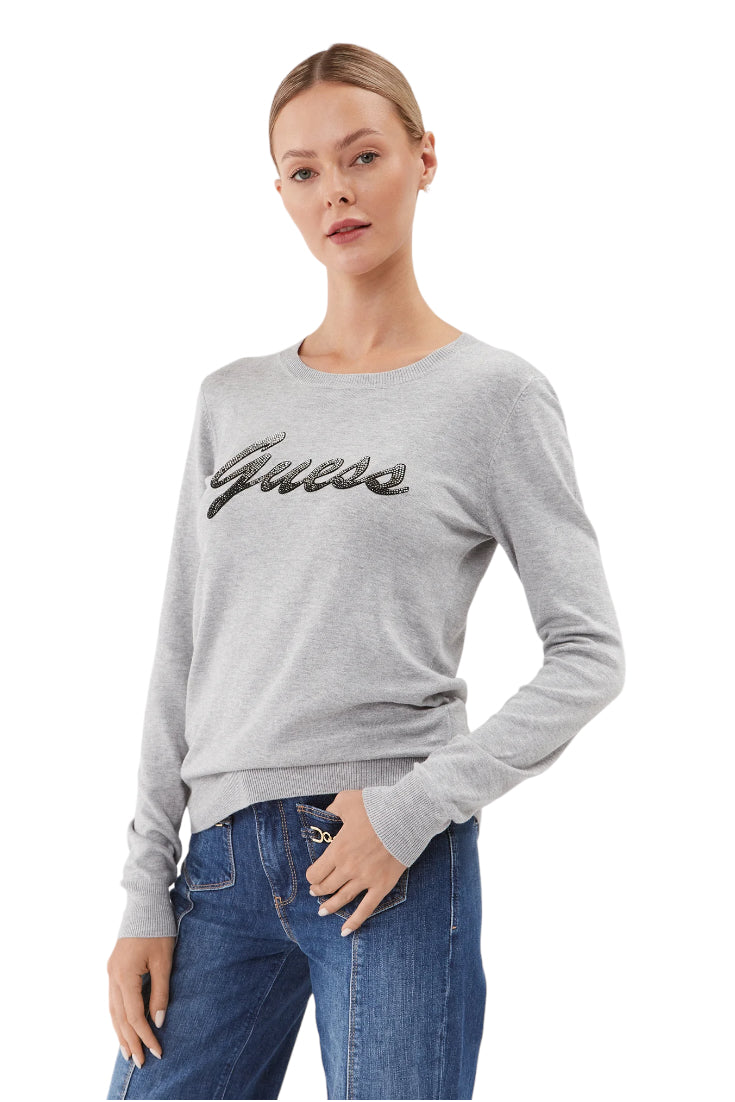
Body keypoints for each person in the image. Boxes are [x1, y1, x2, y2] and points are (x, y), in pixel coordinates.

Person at [106, 41, 625, 1101]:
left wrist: (413, 809)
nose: (334, 192)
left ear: (424, 158)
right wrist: (142, 887)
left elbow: (588, 654)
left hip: (390, 856)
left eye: (362, 157)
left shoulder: (492, 396)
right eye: (303, 171)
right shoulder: (232, 400)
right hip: (218, 863)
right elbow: (182, 647)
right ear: (281, 193)